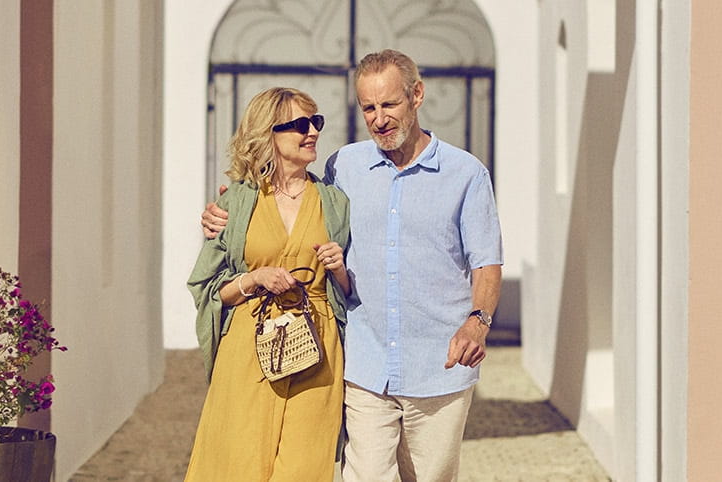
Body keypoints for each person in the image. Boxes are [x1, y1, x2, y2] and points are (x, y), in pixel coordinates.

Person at [201, 49, 503, 481]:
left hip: (439, 366)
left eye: (389, 104)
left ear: (416, 95)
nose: (379, 118)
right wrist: (225, 211)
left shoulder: (466, 174)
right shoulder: (343, 167)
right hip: (365, 362)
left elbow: (487, 265)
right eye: (369, 107)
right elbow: (286, 202)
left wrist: (478, 322)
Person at [186, 87, 352, 481]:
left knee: (303, 466)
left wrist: (340, 268)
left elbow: (350, 292)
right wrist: (253, 278)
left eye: (316, 122)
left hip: (319, 347)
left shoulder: (335, 202)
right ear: (268, 134)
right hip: (248, 347)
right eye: (298, 124)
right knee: (239, 463)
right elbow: (208, 287)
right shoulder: (237, 202)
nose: (312, 131)